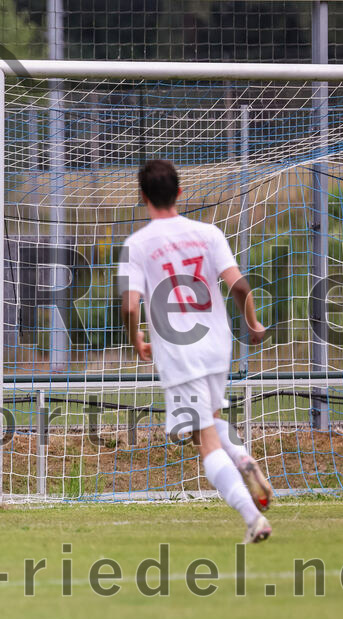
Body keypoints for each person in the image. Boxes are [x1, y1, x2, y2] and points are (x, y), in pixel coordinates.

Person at [117, 159, 274, 544]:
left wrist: (136, 338)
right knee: (204, 428)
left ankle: (253, 515)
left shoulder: (137, 244)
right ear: (180, 193)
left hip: (178, 352)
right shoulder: (209, 232)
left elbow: (131, 305)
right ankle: (240, 456)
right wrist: (252, 324)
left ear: (142, 196)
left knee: (205, 444)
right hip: (217, 346)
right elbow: (238, 286)